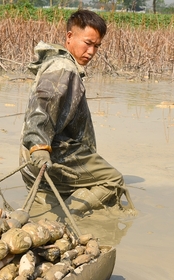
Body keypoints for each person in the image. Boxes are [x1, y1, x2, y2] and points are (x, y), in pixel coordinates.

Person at [19, 9, 130, 215]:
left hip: (32, 160)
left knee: (47, 204)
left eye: (97, 46)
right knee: (113, 180)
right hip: (51, 155)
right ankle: (68, 216)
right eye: (88, 43)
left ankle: (46, 212)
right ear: (70, 36)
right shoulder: (64, 68)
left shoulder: (56, 64)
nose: (91, 52)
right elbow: (43, 104)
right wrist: (39, 145)